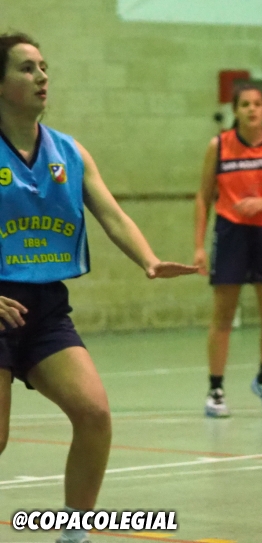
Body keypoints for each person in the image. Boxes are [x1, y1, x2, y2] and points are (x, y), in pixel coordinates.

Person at [0, 33, 197, 543]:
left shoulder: (69, 152)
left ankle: (74, 534)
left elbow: (112, 215)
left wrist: (149, 260)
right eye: (26, 68)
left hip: (44, 307)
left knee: (94, 415)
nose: (42, 76)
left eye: (44, 66)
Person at [194, 84, 262, 417]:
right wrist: (198, 246)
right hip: (231, 234)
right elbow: (203, 197)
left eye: (257, 104)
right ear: (235, 110)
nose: (251, 109)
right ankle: (216, 389)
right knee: (223, 316)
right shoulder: (219, 146)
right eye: (245, 104)